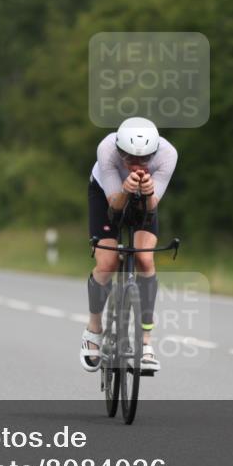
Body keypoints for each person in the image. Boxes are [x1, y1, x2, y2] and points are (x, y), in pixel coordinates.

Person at [81, 117, 177, 373]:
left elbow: (151, 207)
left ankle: (146, 343)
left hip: (144, 199)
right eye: (129, 159)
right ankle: (94, 328)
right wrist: (125, 190)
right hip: (106, 195)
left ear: (155, 152)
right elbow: (115, 208)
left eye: (145, 160)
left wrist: (146, 192)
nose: (137, 165)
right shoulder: (107, 149)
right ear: (119, 150)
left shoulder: (168, 155)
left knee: (145, 259)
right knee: (108, 261)